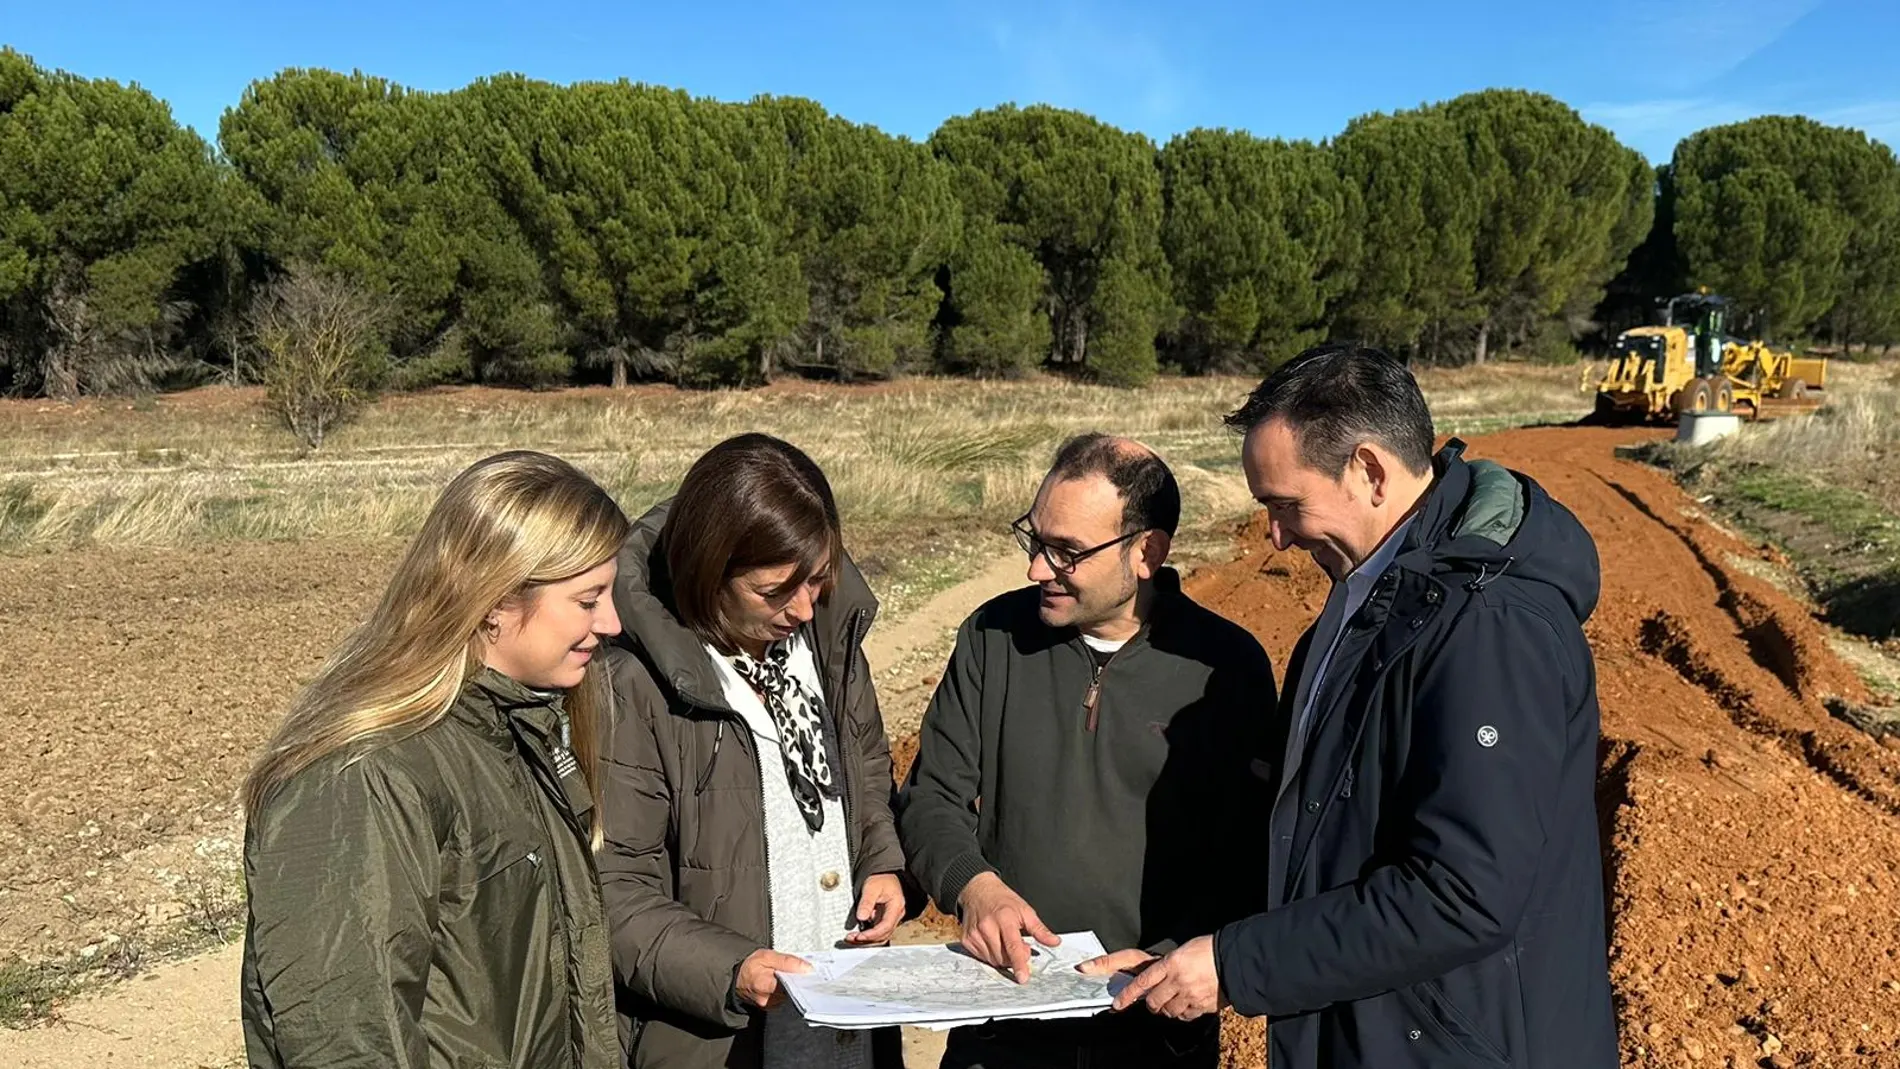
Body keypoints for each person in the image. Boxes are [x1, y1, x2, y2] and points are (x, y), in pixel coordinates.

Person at [1092, 343, 1616, 1068]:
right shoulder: (1359, 610)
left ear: (1369, 470)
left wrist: (1239, 964)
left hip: (1456, 1044)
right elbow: (1314, 840)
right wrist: (1188, 951)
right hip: (1374, 1030)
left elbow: (1462, 893)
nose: (1274, 536)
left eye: (1286, 504)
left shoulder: (1488, 626)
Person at [239, 450, 629, 1069]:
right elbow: (348, 1036)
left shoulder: (516, 728)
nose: (610, 622)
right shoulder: (364, 777)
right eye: (588, 600)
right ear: (496, 600)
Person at [898, 433, 1276, 1069]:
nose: (1037, 569)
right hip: (1002, 1020)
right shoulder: (993, 638)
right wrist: (975, 886)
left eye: (1068, 552)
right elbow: (932, 796)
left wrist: (1176, 956)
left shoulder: (1225, 668)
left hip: (1152, 1027)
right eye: (1036, 539)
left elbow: (1252, 855)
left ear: (1146, 553)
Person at [597, 432, 914, 1069]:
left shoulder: (829, 648)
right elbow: (613, 890)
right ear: (710, 571)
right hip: (720, 1040)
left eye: (818, 580)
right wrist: (730, 970)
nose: (803, 608)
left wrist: (881, 860)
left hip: (848, 1024)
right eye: (775, 591)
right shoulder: (632, 685)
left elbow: (867, 771)